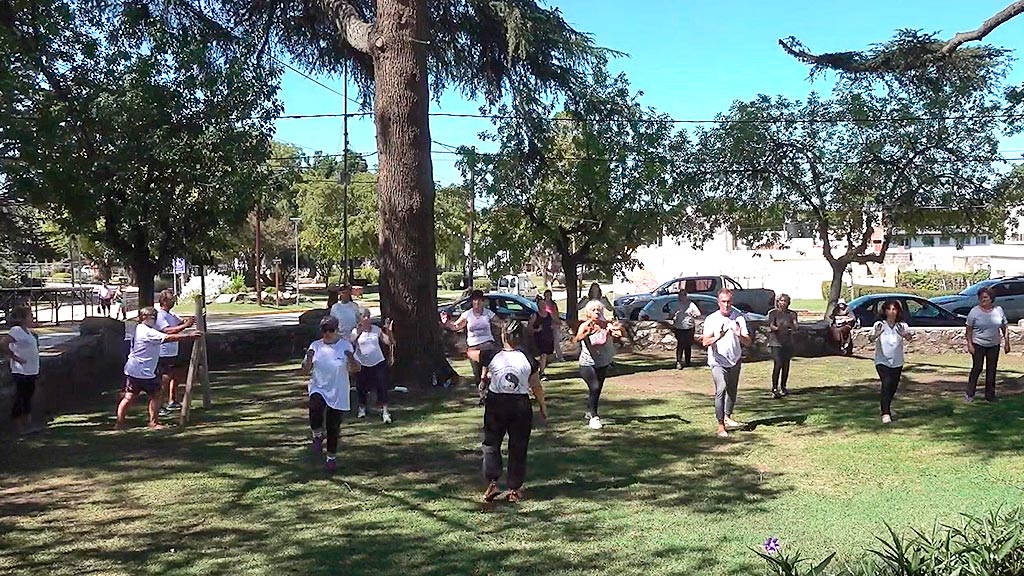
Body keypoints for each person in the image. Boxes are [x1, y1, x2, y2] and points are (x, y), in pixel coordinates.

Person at [479, 320, 548, 503]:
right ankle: (514, 488)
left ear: (503, 336)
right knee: (518, 447)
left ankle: (493, 481)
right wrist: (542, 406)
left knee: (491, 443)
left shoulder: (493, 355)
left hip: (496, 404)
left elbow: (473, 354)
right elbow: (536, 386)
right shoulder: (528, 359)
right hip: (520, 405)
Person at [116, 307, 202, 430]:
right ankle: (153, 422)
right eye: (153, 317)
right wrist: (189, 336)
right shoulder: (147, 332)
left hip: (132, 369)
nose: (155, 320)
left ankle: (119, 423)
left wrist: (183, 325)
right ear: (145, 318)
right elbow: (168, 337)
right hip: (143, 371)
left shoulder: (139, 328)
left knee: (129, 397)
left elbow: (166, 332)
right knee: (156, 395)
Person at [301, 315, 360, 473]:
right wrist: (309, 357)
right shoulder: (316, 346)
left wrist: (350, 357)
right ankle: (317, 435)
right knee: (315, 407)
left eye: (330, 330)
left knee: (333, 425)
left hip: (338, 390)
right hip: (318, 386)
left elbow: (356, 369)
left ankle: (331, 457)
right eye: (323, 330)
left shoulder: (345, 345)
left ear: (336, 330)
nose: (327, 333)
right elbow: (305, 370)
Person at [701, 289, 752, 438]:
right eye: (723, 301)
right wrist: (718, 337)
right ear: (718, 303)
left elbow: (748, 342)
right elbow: (705, 342)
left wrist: (738, 334)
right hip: (717, 361)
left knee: (732, 390)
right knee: (721, 389)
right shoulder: (711, 319)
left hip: (734, 359)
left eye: (729, 301)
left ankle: (728, 416)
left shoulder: (739, 318)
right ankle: (720, 425)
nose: (726, 304)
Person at [574, 300, 623, 430]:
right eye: (594, 310)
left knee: (596, 389)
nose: (597, 312)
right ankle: (594, 417)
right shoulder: (585, 325)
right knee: (594, 387)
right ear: (588, 313)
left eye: (599, 310)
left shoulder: (606, 325)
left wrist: (615, 331)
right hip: (587, 363)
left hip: (603, 362)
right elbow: (576, 339)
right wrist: (586, 333)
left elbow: (618, 334)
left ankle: (590, 410)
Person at [443, 290, 497, 387]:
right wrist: (446, 323)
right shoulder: (467, 314)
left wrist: (507, 325)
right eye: (474, 300)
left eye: (479, 300)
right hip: (473, 346)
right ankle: (481, 392)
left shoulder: (488, 313)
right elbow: (456, 326)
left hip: (487, 345)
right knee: (477, 374)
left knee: (485, 371)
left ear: (483, 301)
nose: (477, 303)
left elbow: (500, 322)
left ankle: (485, 384)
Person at [870, 300, 913, 424]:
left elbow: (909, 338)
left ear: (898, 311)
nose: (891, 312)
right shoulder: (879, 325)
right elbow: (871, 338)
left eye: (894, 309)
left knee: (893, 387)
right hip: (882, 360)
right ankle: (886, 413)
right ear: (884, 311)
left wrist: (905, 335)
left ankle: (885, 405)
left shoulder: (902, 326)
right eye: (889, 309)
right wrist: (876, 335)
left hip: (897, 361)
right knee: (886, 383)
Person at [965, 286, 1009, 402]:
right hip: (978, 343)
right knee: (977, 368)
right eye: (980, 298)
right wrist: (970, 344)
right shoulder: (974, 312)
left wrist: (1007, 342)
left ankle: (990, 395)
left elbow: (1004, 327)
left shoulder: (998, 310)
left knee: (991, 369)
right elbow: (968, 330)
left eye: (985, 297)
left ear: (991, 298)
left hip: (994, 344)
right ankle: (970, 394)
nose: (982, 300)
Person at [2, 307, 41, 435]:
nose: (32, 317)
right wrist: (15, 358)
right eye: (30, 315)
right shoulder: (16, 331)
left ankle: (28, 423)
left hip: (31, 370)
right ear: (23, 318)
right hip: (21, 371)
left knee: (28, 396)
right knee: (21, 396)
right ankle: (19, 425)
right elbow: (3, 344)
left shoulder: (28, 332)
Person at [156, 290, 195, 414]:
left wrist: (190, 321)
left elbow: (181, 322)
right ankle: (159, 405)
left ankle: (172, 401)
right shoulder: (160, 315)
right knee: (164, 379)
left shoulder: (171, 315)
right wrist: (184, 326)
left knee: (176, 376)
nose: (173, 301)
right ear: (164, 301)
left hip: (174, 351)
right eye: (171, 299)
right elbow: (167, 330)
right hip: (163, 353)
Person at [352, 308, 394, 423]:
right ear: (359, 319)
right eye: (364, 316)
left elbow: (389, 342)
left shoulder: (376, 329)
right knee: (361, 386)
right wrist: (358, 333)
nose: (367, 319)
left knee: (382, 385)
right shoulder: (355, 331)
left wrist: (389, 331)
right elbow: (351, 345)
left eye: (368, 316)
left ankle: (385, 411)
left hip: (378, 361)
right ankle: (362, 408)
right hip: (362, 363)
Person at [767, 294, 798, 398]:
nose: (783, 303)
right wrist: (778, 328)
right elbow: (771, 325)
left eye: (785, 301)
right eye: (781, 301)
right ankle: (774, 388)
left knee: (786, 365)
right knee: (778, 364)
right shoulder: (773, 313)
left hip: (787, 342)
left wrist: (792, 327)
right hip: (776, 342)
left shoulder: (792, 314)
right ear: (778, 302)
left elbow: (795, 325)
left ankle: (783, 387)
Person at [672, 290, 701, 369]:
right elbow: (670, 314)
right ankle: (679, 362)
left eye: (683, 296)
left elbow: (698, 314)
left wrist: (693, 314)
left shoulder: (691, 304)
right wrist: (674, 315)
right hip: (679, 327)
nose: (682, 297)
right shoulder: (676, 305)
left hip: (689, 327)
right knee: (680, 344)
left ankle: (688, 362)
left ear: (686, 296)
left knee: (688, 344)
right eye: (680, 296)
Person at [530, 296, 555, 380]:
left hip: (548, 337)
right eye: (541, 304)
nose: (543, 305)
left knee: (547, 356)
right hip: (539, 338)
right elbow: (529, 327)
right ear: (538, 306)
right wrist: (537, 329)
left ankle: (539, 370)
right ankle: (542, 373)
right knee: (543, 355)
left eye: (544, 304)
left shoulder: (549, 314)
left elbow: (552, 323)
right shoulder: (535, 315)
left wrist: (553, 326)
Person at [541, 290, 563, 361]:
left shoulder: (553, 304)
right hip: (547, 324)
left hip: (554, 324)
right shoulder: (543, 304)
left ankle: (559, 356)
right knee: (547, 341)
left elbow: (556, 313)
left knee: (556, 340)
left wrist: (558, 321)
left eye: (549, 295)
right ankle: (547, 357)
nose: (548, 297)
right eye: (546, 295)